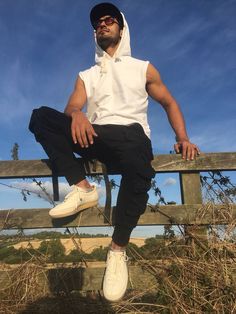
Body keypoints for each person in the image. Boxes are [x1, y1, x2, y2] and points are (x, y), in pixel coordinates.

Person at [29, 2, 200, 302]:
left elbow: (169, 102)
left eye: (109, 20)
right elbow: (73, 104)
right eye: (97, 22)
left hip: (132, 137)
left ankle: (118, 248)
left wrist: (183, 137)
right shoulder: (86, 74)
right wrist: (76, 114)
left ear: (122, 27)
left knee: (136, 150)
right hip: (96, 136)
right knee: (40, 117)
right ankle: (82, 189)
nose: (102, 24)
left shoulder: (142, 67)